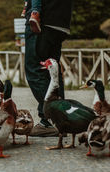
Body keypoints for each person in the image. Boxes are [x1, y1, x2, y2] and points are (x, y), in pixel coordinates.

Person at [24, 0, 73, 136]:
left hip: (43, 21)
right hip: (61, 22)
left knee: (36, 71)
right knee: (53, 71)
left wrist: (35, 11)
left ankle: (51, 120)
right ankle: (62, 120)